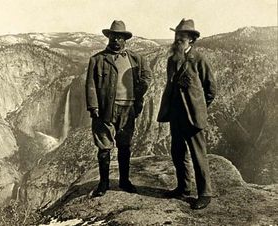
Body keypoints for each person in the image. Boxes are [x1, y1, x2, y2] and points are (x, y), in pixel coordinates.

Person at [86, 20, 151, 197]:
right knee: (104, 147)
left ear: (125, 40)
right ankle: (104, 183)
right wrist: (93, 106)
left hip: (128, 109)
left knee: (125, 146)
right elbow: (90, 85)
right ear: (108, 38)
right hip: (105, 109)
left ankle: (124, 181)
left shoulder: (136, 59)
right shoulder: (97, 60)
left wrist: (139, 92)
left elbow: (147, 78)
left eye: (120, 37)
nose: (116, 40)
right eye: (113, 37)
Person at [157, 19, 217, 209]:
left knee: (198, 155)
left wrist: (199, 107)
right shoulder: (172, 60)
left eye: (181, 38)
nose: (177, 41)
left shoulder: (199, 60)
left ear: (191, 40)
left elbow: (211, 89)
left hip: (193, 116)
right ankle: (184, 188)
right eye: (176, 37)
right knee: (177, 152)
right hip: (176, 115)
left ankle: (205, 193)